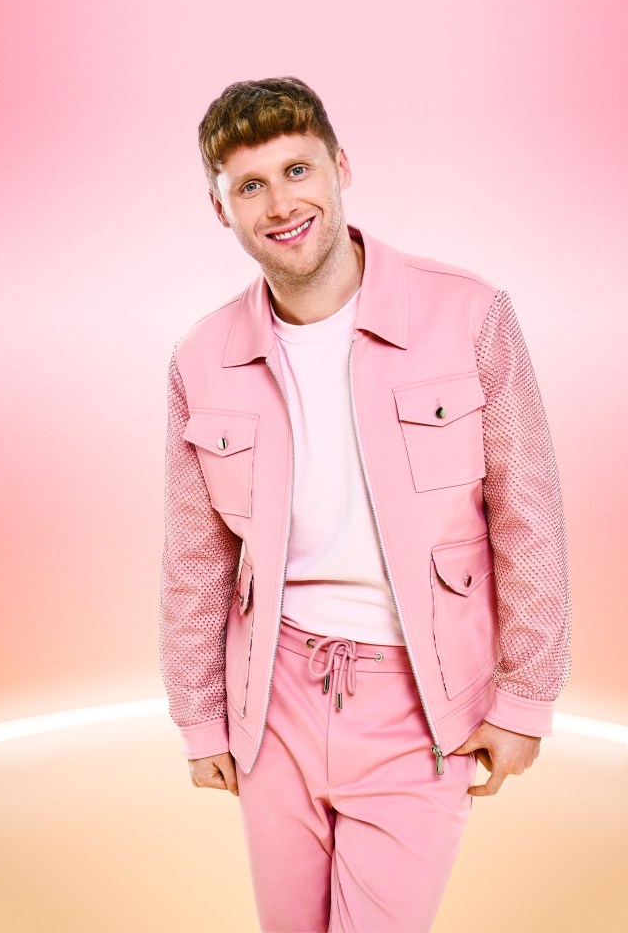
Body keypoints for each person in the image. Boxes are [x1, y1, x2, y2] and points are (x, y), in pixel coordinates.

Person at [159, 76, 571, 933]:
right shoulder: (200, 357)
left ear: (341, 167)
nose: (281, 204)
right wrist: (200, 716)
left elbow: (528, 517)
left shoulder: (468, 314)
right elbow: (195, 560)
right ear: (220, 210)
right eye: (250, 186)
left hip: (418, 701)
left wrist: (525, 698)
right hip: (268, 700)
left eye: (298, 170)